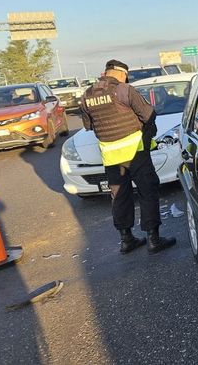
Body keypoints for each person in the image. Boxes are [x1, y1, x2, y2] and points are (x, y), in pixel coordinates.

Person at [80, 59, 176, 255]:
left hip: (111, 157)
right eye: (126, 75)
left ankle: (126, 239)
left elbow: (88, 126)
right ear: (121, 74)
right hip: (135, 153)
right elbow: (149, 114)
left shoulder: (87, 95)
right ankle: (153, 239)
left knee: (119, 196)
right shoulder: (124, 90)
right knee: (147, 191)